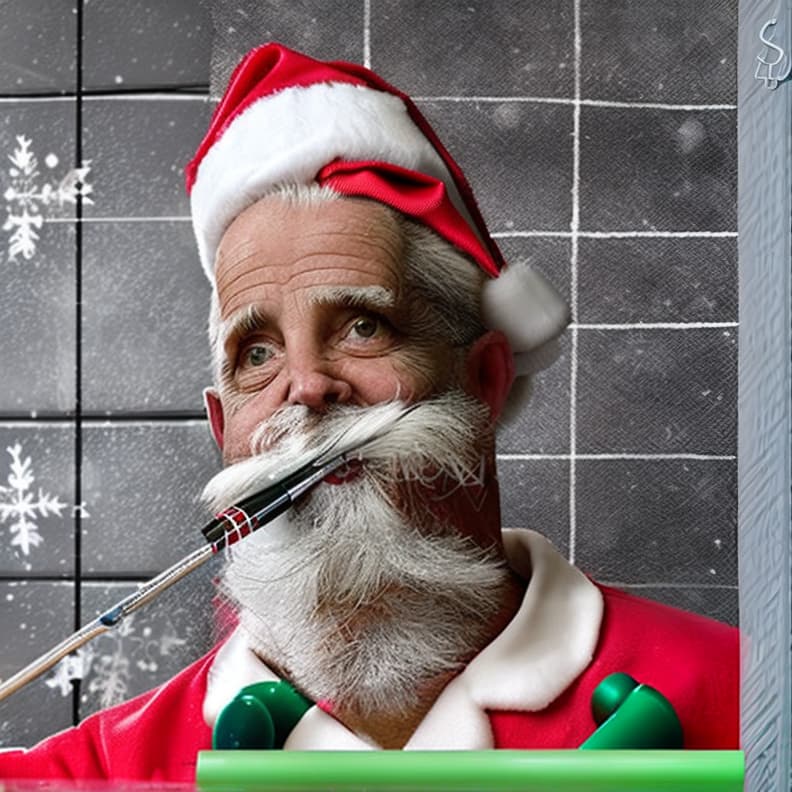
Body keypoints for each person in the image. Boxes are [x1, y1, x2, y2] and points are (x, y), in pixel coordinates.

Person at [0, 43, 738, 783]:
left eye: (362, 326)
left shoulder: (745, 704)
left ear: (482, 379)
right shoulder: (100, 772)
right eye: (257, 354)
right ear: (225, 432)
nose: (307, 387)